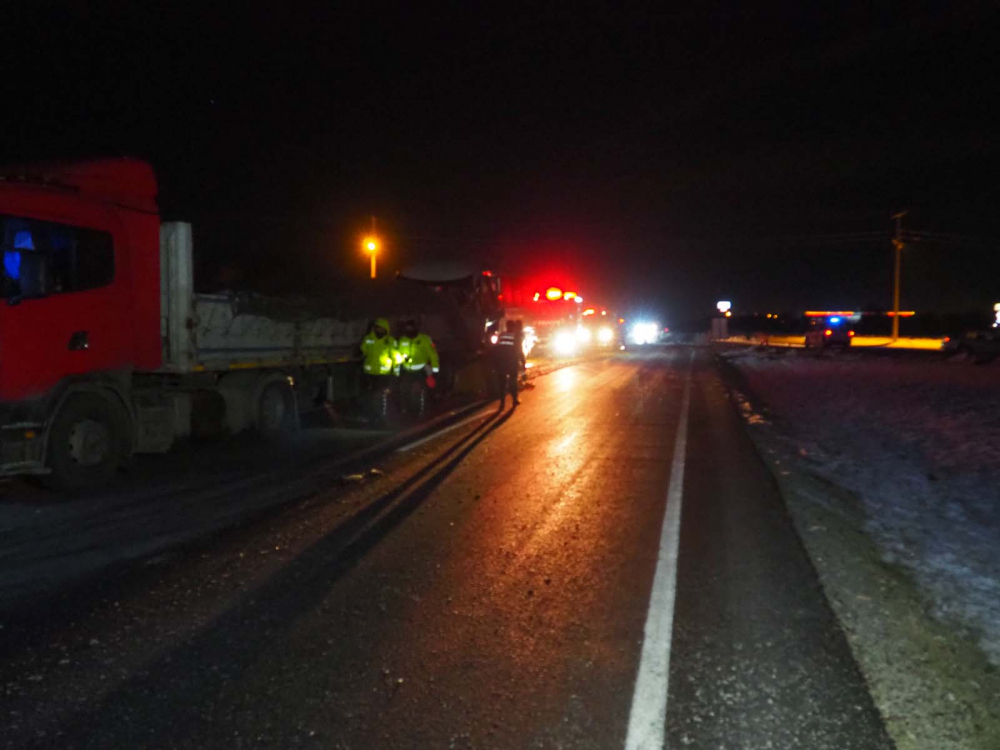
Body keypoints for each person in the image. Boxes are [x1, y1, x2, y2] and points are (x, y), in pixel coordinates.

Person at [395, 318, 440, 416]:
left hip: (421, 369)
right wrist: (397, 370)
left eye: (411, 328)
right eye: (407, 328)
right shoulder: (402, 340)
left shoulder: (424, 339)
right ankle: (405, 409)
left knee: (428, 386)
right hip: (407, 370)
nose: (409, 330)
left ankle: (430, 406)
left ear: (415, 328)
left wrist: (435, 369)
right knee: (403, 388)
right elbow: (398, 355)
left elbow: (433, 354)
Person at [360, 317, 399, 420]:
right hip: (369, 373)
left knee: (381, 396)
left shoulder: (390, 341)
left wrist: (395, 372)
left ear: (386, 329)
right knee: (369, 396)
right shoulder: (369, 339)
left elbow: (395, 357)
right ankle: (370, 416)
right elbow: (363, 350)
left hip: (383, 374)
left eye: (382, 328)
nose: (379, 330)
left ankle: (381, 416)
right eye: (377, 328)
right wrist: (360, 351)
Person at [494, 320, 525, 410]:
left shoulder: (502, 335)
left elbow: (497, 348)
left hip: (501, 362)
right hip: (512, 362)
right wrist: (523, 362)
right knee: (513, 381)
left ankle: (502, 403)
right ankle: (515, 399)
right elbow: (519, 350)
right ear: (514, 327)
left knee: (502, 383)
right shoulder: (515, 337)